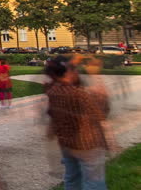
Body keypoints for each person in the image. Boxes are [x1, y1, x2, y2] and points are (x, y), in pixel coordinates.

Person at [44, 56, 110, 190]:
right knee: (94, 183)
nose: (77, 72)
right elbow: (100, 114)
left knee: (72, 179)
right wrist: (101, 91)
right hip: (87, 144)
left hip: (66, 143)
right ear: (68, 72)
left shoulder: (52, 91)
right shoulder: (79, 94)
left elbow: (51, 113)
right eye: (74, 70)